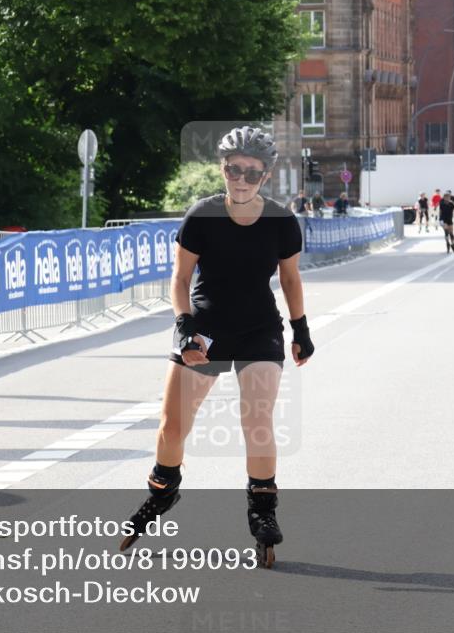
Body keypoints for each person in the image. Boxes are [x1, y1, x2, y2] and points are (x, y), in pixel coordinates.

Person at [119, 126, 312, 568]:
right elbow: (181, 278)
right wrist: (184, 327)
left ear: (266, 176)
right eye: (233, 170)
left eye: (251, 172)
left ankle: (262, 511)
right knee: (173, 427)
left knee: (257, 418)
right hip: (205, 327)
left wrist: (301, 330)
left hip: (259, 328)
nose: (240, 180)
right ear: (222, 170)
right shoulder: (202, 215)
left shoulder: (281, 220)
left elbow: (289, 278)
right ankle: (164, 490)